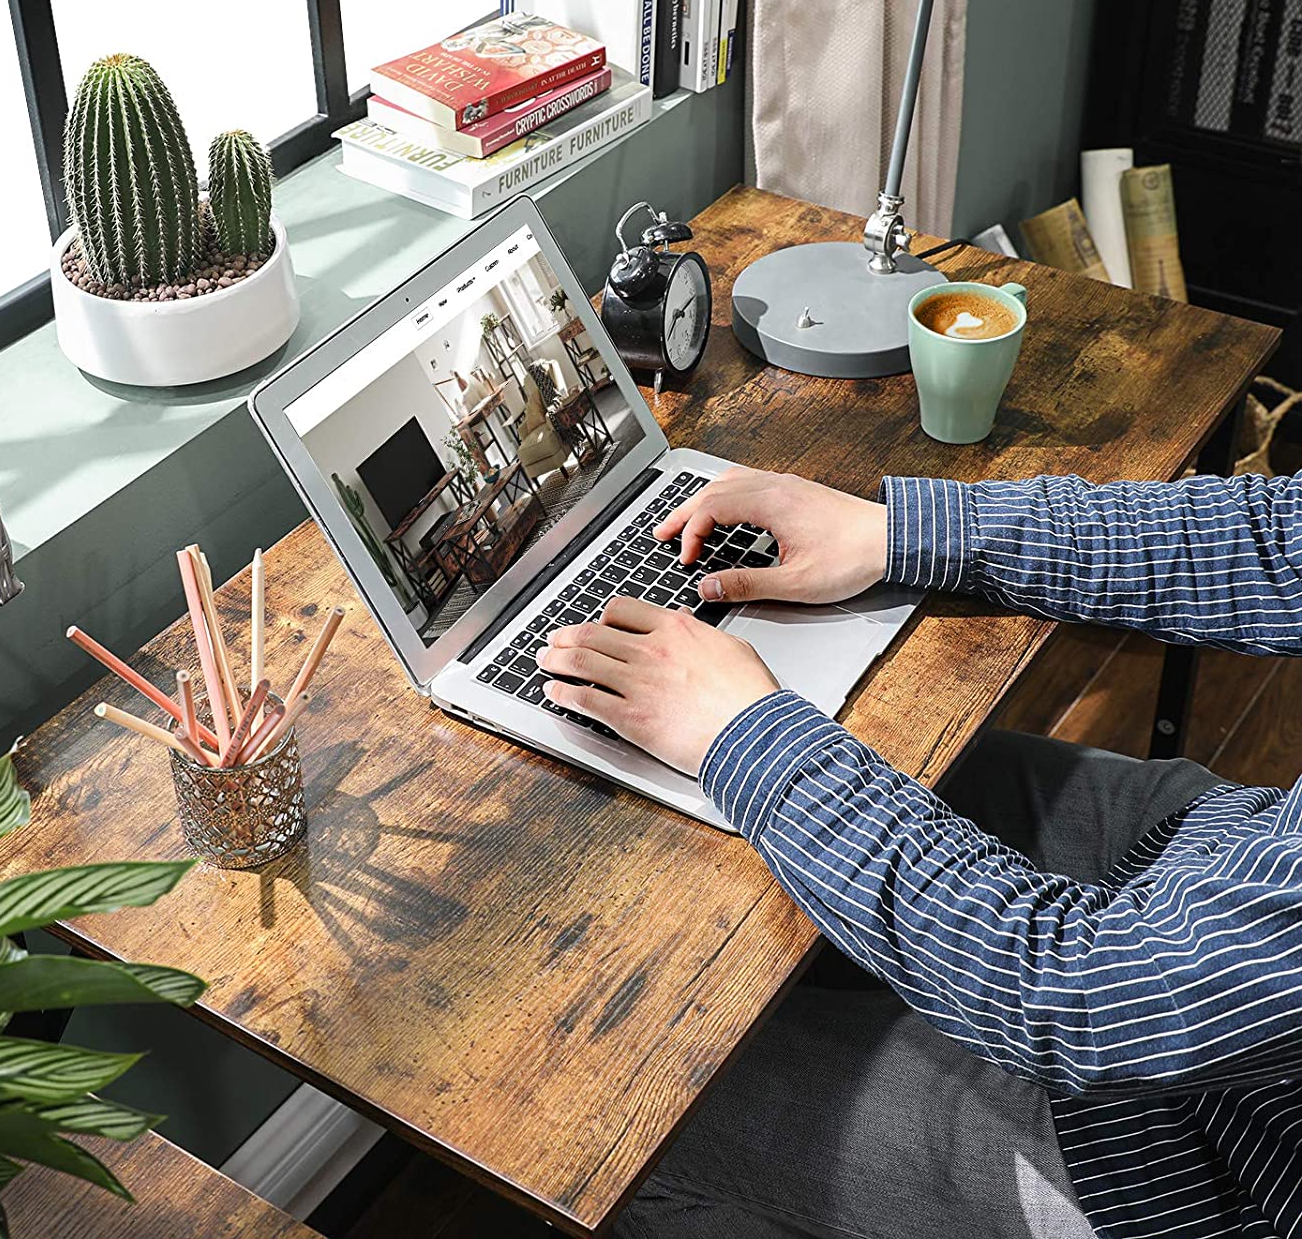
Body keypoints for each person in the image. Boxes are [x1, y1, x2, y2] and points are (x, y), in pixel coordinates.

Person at [537, 466, 1302, 1239]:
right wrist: (897, 533)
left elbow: (1095, 997)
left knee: (623, 1112)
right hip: (1232, 852)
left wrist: (746, 736)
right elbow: (1280, 538)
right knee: (878, 787)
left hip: (1202, 1162)